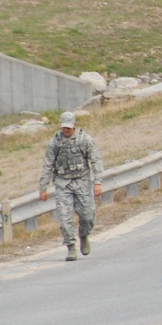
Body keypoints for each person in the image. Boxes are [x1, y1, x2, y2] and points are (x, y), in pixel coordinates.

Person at [38, 111, 104, 261]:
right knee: (65, 217)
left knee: (87, 215)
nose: (66, 130)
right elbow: (47, 165)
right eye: (63, 127)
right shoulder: (55, 142)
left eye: (68, 127)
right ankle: (71, 247)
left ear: (74, 125)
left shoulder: (85, 140)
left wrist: (98, 182)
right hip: (63, 184)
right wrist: (43, 188)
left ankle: (84, 235)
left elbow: (96, 161)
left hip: (82, 181)